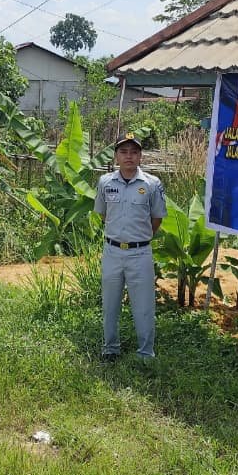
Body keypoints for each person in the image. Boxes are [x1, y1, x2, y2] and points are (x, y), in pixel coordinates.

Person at [94, 132, 167, 361]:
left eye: (134, 152)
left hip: (140, 253)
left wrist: (140, 238)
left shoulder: (152, 184)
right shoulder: (105, 182)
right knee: (110, 304)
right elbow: (103, 215)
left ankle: (146, 353)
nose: (129, 156)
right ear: (116, 156)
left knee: (144, 307)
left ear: (140, 156)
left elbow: (157, 218)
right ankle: (110, 348)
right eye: (123, 152)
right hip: (112, 252)